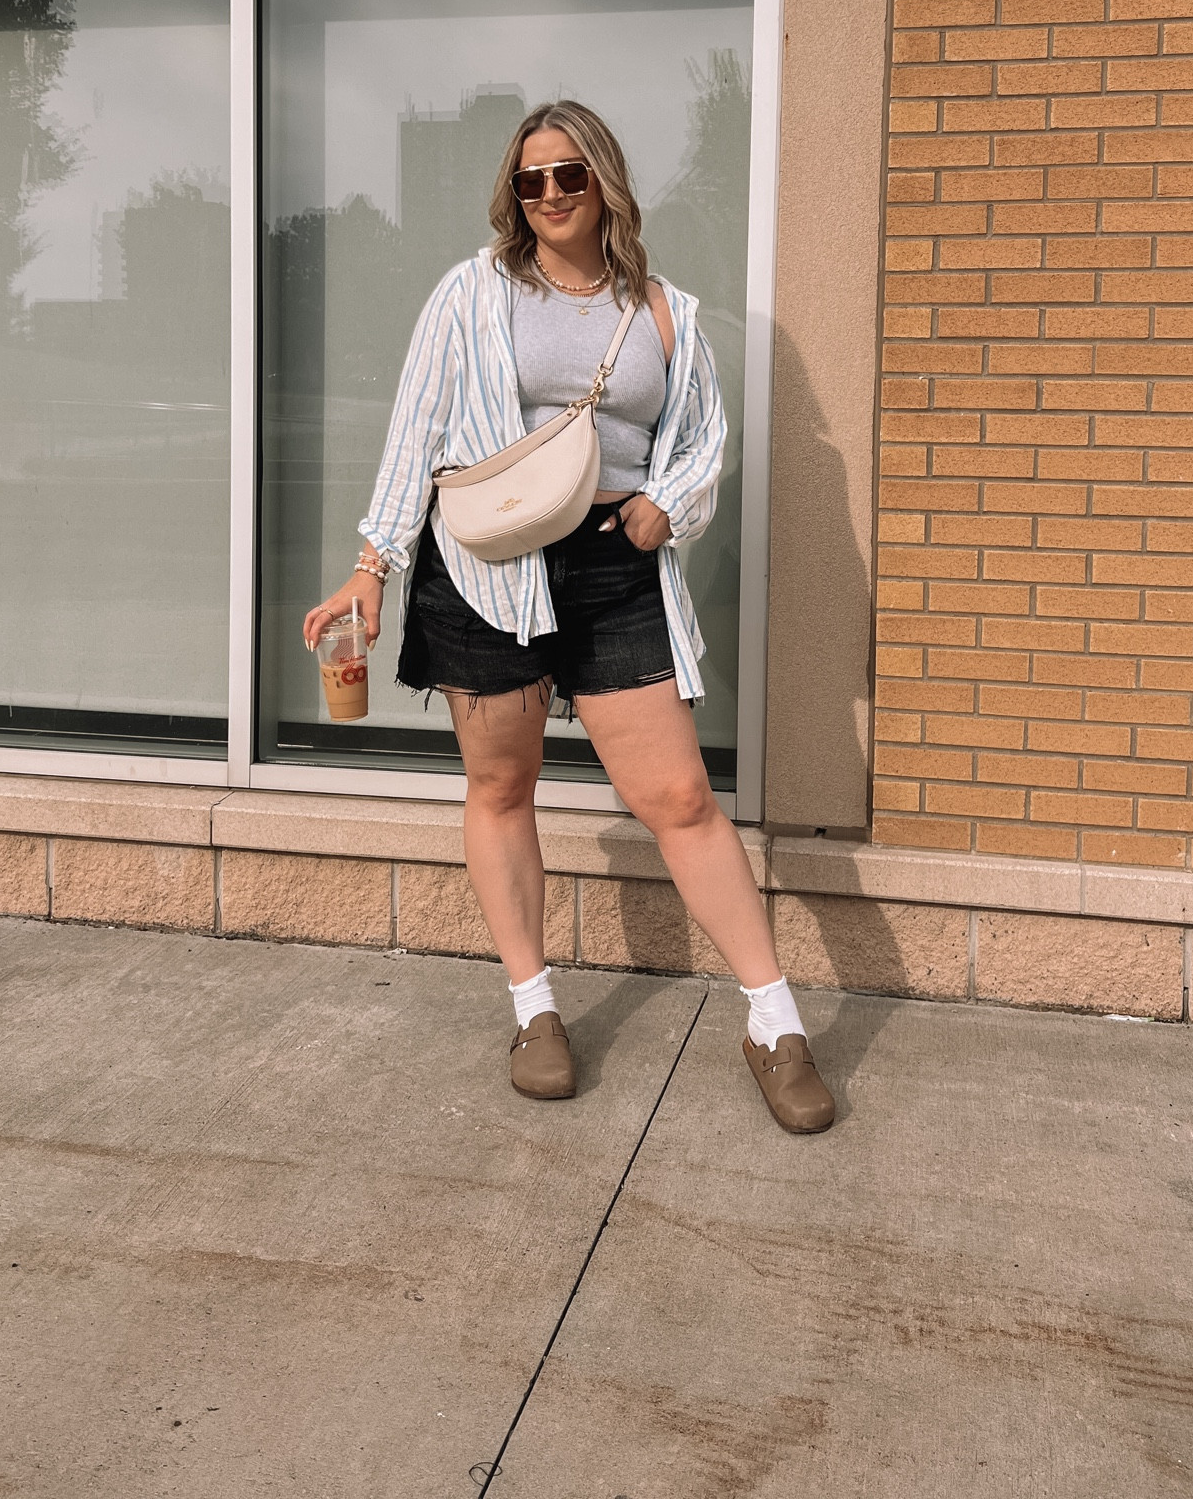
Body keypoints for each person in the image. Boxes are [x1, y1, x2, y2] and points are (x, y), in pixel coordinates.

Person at [303, 101, 833, 1134]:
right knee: (502, 785)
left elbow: (702, 439)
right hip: (485, 564)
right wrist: (375, 561)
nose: (547, 195)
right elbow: (417, 424)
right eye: (530, 180)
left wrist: (663, 506)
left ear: (605, 186)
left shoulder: (665, 309)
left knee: (679, 795)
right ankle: (534, 1007)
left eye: (568, 177)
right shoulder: (472, 291)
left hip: (609, 568)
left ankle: (774, 1018)